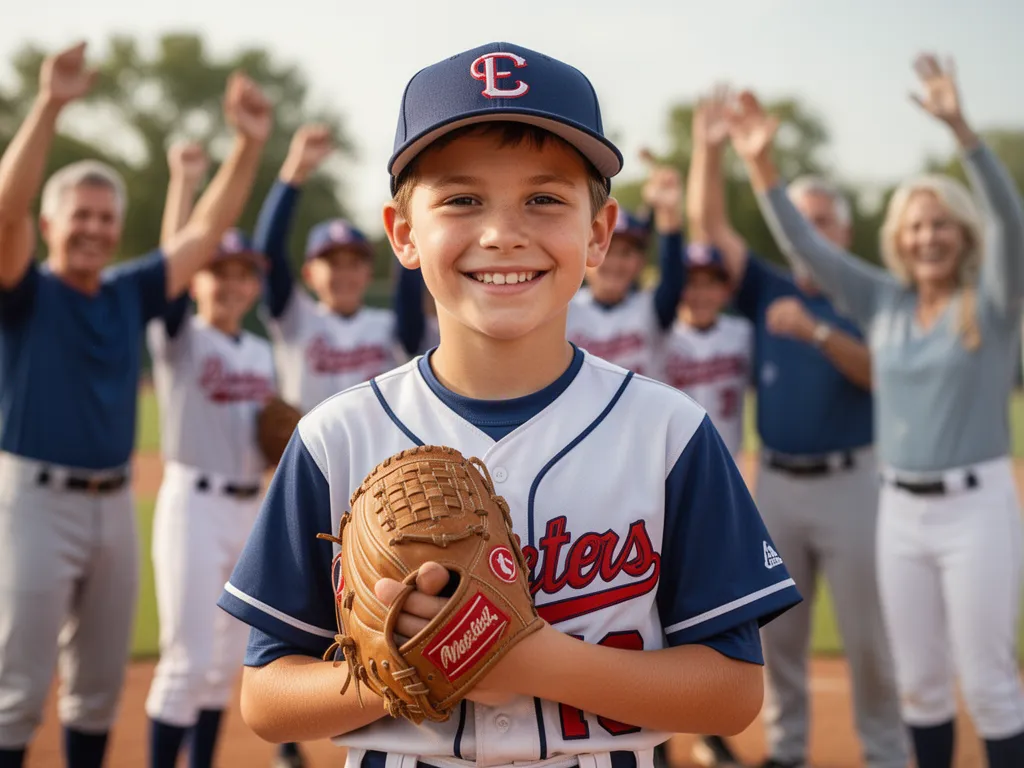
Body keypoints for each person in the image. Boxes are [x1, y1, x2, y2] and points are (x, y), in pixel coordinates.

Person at [217, 41, 802, 768]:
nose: (502, 232)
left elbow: (732, 693)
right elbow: (267, 699)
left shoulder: (670, 434)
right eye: (461, 199)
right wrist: (416, 662)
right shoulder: (335, 436)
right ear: (403, 234)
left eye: (544, 198)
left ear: (598, 234)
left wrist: (524, 658)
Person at [728, 53, 1024, 768]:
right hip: (898, 512)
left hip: (975, 509)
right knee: (920, 685)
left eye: (940, 225)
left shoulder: (988, 304)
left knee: (986, 683)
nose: (928, 237)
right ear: (898, 236)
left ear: (961, 234)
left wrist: (961, 130)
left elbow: (1010, 224)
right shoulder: (882, 302)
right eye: (915, 227)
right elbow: (802, 241)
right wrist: (763, 168)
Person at [0, 41, 270, 768]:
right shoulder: (25, 291)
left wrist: (247, 146)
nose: (92, 227)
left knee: (96, 688)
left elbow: (205, 233)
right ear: (50, 226)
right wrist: (50, 104)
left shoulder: (127, 292)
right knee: (17, 690)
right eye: (78, 215)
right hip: (33, 501)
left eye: (103, 216)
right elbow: (6, 208)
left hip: (115, 503)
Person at [688, 90, 906, 768]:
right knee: (779, 633)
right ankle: (786, 751)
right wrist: (711, 148)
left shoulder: (867, 295)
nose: (805, 233)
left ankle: (884, 750)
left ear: (840, 234)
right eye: (798, 220)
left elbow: (878, 375)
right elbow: (710, 231)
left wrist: (815, 333)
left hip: (853, 482)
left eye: (819, 222)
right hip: (776, 482)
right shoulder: (768, 285)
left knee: (868, 637)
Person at [144, 143, 277, 768]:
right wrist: (184, 183)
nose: (229, 282)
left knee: (225, 659)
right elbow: (170, 261)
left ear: (253, 284)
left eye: (240, 273)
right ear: (196, 278)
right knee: (187, 659)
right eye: (216, 270)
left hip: (246, 507)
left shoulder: (259, 352)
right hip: (193, 507)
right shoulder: (179, 337)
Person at [253, 124, 426, 416]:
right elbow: (268, 253)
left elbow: (411, 265)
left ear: (368, 273)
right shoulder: (295, 319)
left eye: (354, 263)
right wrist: (295, 172)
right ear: (309, 274)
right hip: (313, 456)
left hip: (379, 460)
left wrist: (407, 194)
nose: (344, 273)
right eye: (333, 263)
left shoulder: (389, 327)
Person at [566, 157, 685, 378]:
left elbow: (673, 277)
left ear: (640, 262)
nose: (616, 263)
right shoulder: (565, 308)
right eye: (608, 251)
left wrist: (668, 212)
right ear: (586, 255)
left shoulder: (651, 308)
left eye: (627, 253)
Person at [661, 243, 752, 459]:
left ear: (725, 290)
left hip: (728, 461)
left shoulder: (743, 334)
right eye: (691, 283)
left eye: (711, 284)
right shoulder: (660, 337)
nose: (701, 294)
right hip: (672, 465)